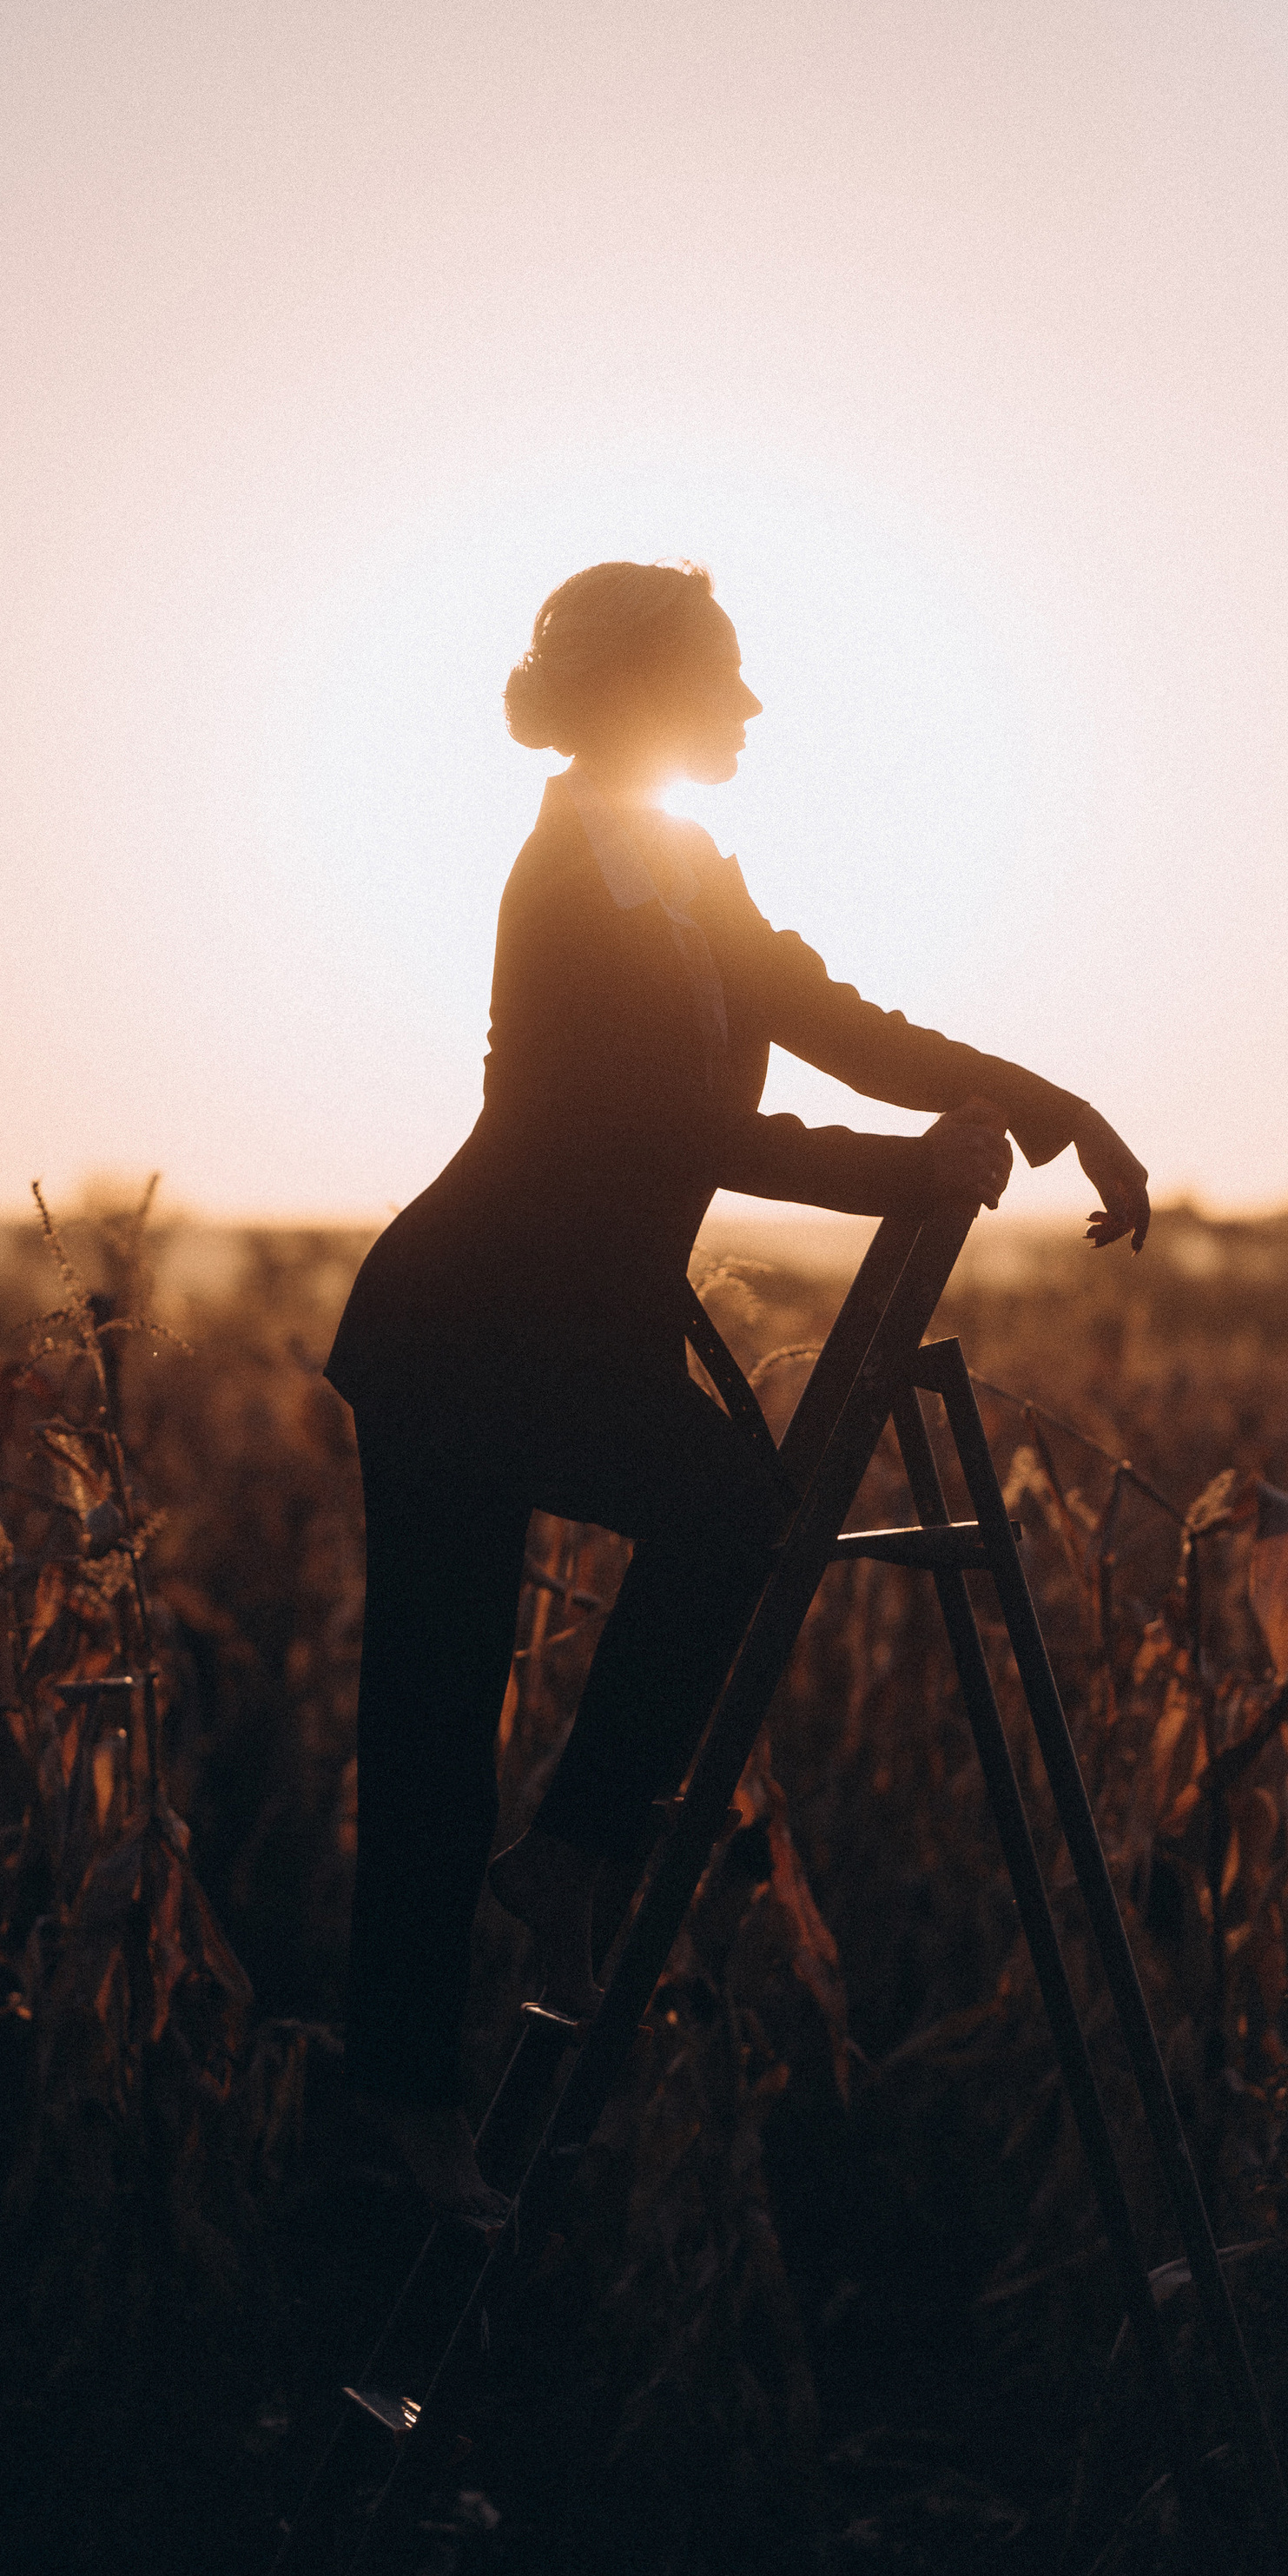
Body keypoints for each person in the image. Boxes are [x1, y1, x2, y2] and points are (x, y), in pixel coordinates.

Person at [325, 560, 1150, 2215]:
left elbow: (831, 1017)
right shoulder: (568, 877)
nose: (756, 706)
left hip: (562, 1328)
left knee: (719, 1521)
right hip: (466, 1327)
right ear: (643, 689)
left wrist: (1049, 1103)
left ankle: (563, 1860)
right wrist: (900, 1177)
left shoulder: (683, 865)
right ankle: (415, 2080)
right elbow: (657, 1130)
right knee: (444, 1712)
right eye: (727, 673)